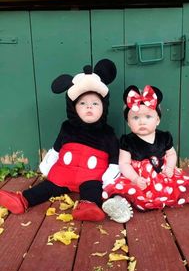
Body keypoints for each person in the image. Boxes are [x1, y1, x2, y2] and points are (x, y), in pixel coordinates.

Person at [0, 59, 120, 222]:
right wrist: (48, 167)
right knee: (47, 187)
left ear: (104, 107)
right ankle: (23, 200)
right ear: (73, 108)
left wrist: (108, 179)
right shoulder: (67, 128)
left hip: (90, 176)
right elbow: (56, 149)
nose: (89, 107)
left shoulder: (108, 134)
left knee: (92, 188)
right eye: (83, 103)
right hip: (64, 173)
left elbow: (114, 161)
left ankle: (88, 206)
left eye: (95, 103)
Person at [102, 84, 189, 223]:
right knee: (124, 189)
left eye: (148, 116)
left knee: (181, 186)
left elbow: (171, 154)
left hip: (162, 174)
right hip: (139, 177)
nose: (142, 121)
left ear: (158, 120)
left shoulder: (164, 137)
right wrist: (134, 179)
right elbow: (124, 163)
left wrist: (169, 168)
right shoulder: (127, 140)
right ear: (128, 122)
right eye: (136, 118)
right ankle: (120, 207)